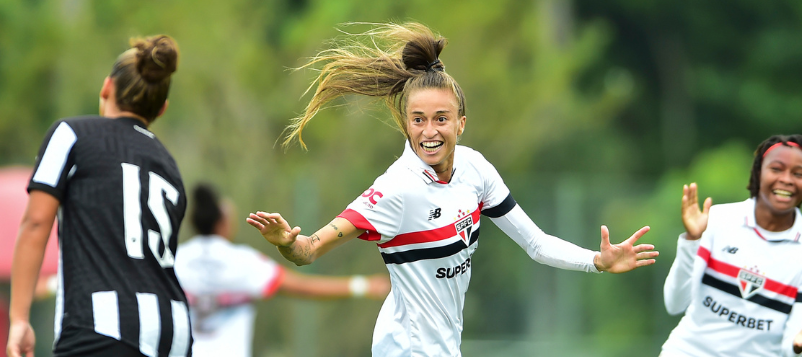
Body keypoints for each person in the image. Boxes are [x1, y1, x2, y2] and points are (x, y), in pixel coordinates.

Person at [244, 22, 659, 357]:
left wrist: (597, 262)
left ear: (461, 122)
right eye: (418, 119)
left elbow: (536, 243)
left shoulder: (475, 169)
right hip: (404, 349)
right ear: (406, 124)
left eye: (441, 118)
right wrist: (286, 243)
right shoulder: (395, 190)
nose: (429, 131)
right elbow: (310, 250)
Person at [7, 36, 191, 357]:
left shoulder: (72, 134)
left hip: (103, 326)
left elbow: (37, 222)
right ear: (161, 108)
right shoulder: (168, 165)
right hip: (174, 330)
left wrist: (19, 319)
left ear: (106, 88)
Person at [660, 135, 802, 357]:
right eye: (777, 169)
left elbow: (792, 344)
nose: (787, 179)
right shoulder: (717, 219)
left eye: (798, 174)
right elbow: (675, 304)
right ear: (758, 173)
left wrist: (797, 344)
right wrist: (693, 240)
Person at [173, 183, 390, 357]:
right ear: (222, 224)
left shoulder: (177, 259)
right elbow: (303, 288)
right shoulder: (242, 261)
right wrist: (363, 286)